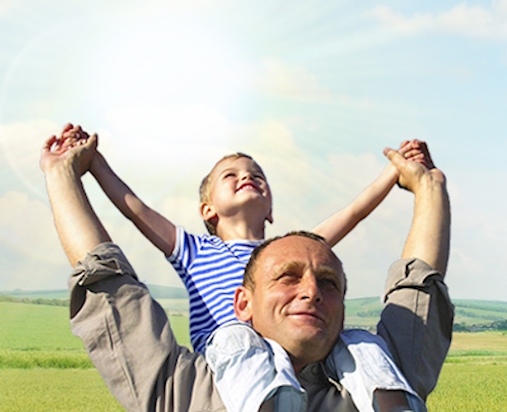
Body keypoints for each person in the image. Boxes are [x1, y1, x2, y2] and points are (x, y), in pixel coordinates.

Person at [40, 128, 453, 411]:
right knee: (238, 339)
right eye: (231, 176)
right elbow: (130, 221)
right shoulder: (195, 249)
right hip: (229, 361)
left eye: (327, 281)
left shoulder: (300, 245)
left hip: (322, 361)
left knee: (362, 345)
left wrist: (401, 173)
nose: (310, 289)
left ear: (271, 208)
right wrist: (91, 166)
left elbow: (357, 215)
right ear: (207, 209)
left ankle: (391, 402)